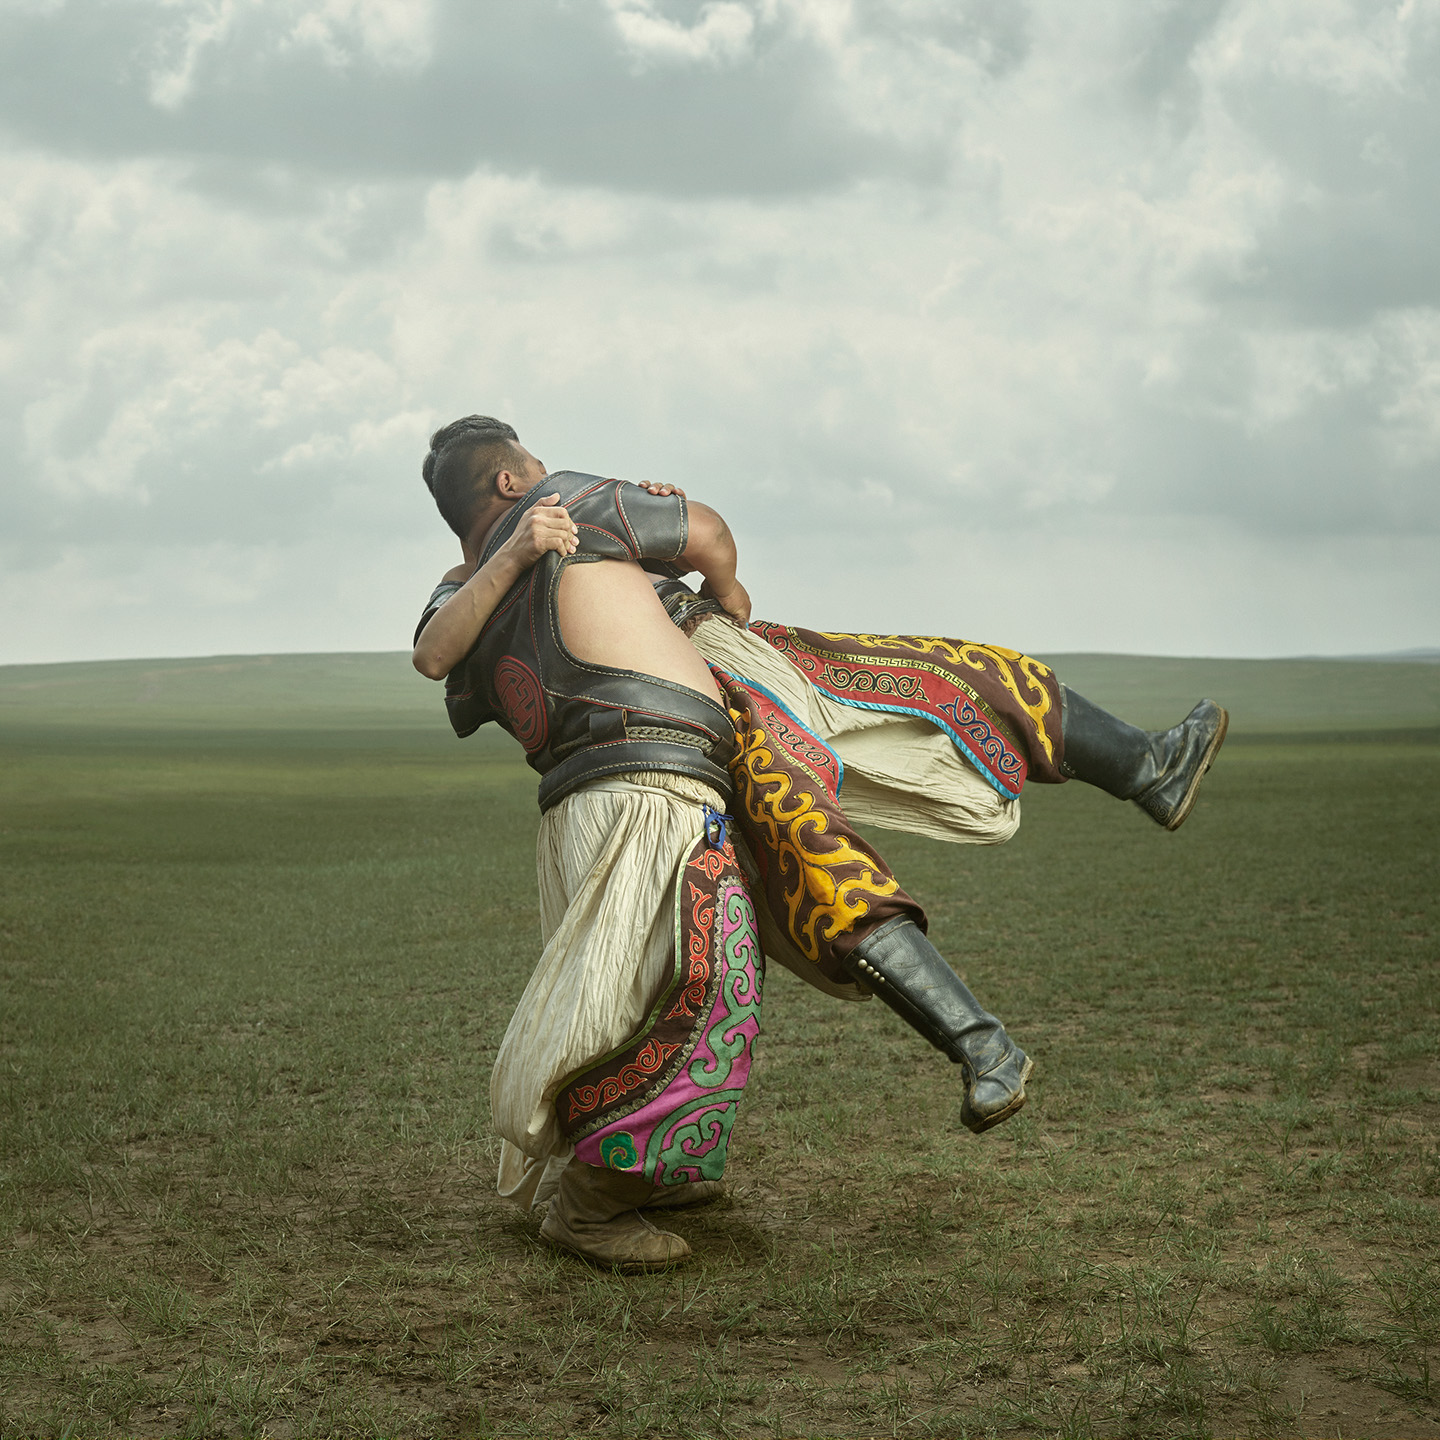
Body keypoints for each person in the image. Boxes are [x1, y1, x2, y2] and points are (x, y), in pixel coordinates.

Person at [412, 415, 1227, 1269]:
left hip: (627, 788)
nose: (545, 474)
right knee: (704, 977)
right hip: (651, 781)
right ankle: (591, 1203)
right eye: (533, 466)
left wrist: (630, 583)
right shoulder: (557, 504)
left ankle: (652, 1168)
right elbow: (708, 531)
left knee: (673, 966)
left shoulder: (464, 590)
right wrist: (722, 598)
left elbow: (450, 665)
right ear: (511, 483)